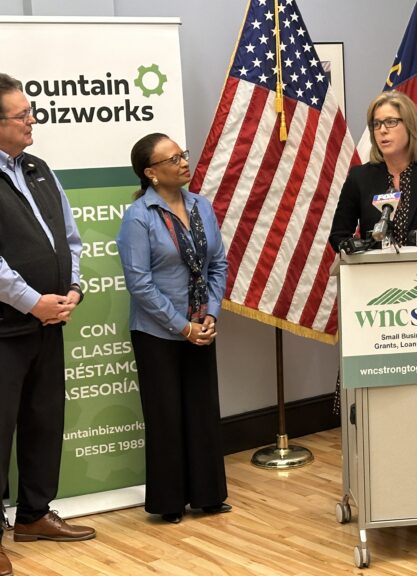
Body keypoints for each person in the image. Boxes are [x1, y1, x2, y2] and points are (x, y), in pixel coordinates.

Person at [0, 73, 95, 576]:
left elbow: (71, 238)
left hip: (49, 323)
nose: (32, 119)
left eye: (30, 110)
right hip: (5, 328)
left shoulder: (38, 168)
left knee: (43, 422)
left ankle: (34, 515)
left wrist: (72, 288)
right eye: (21, 114)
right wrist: (31, 300)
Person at [116, 133, 230, 524]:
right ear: (150, 173)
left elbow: (218, 264)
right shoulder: (139, 217)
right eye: (172, 159)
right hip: (158, 332)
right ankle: (169, 503)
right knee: (166, 416)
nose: (184, 162)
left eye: (183, 154)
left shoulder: (201, 206)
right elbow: (139, 283)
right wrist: (182, 327)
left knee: (202, 409)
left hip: (202, 325)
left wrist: (210, 312)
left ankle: (208, 496)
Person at [329, 91, 417, 251]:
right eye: (376, 124)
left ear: (410, 125)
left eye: (390, 122)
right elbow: (339, 235)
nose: (382, 130)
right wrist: (360, 252)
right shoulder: (359, 178)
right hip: (374, 273)